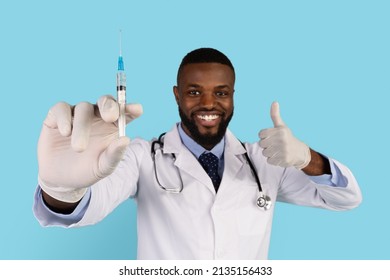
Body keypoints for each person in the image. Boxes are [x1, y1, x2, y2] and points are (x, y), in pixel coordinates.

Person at [34, 48, 362, 259]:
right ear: (177, 95)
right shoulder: (140, 157)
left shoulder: (266, 161)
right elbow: (88, 208)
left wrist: (308, 159)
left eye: (221, 93)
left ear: (233, 97)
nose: (208, 104)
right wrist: (62, 188)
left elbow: (346, 199)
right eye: (194, 92)